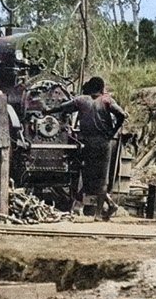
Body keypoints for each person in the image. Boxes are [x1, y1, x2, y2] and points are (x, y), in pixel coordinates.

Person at [51, 76, 127, 220]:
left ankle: (97, 208)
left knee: (88, 177)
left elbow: (62, 107)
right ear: (102, 88)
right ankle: (101, 211)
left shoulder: (82, 100)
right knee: (102, 178)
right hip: (104, 142)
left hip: (88, 143)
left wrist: (47, 111)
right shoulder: (107, 100)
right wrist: (113, 131)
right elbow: (121, 115)